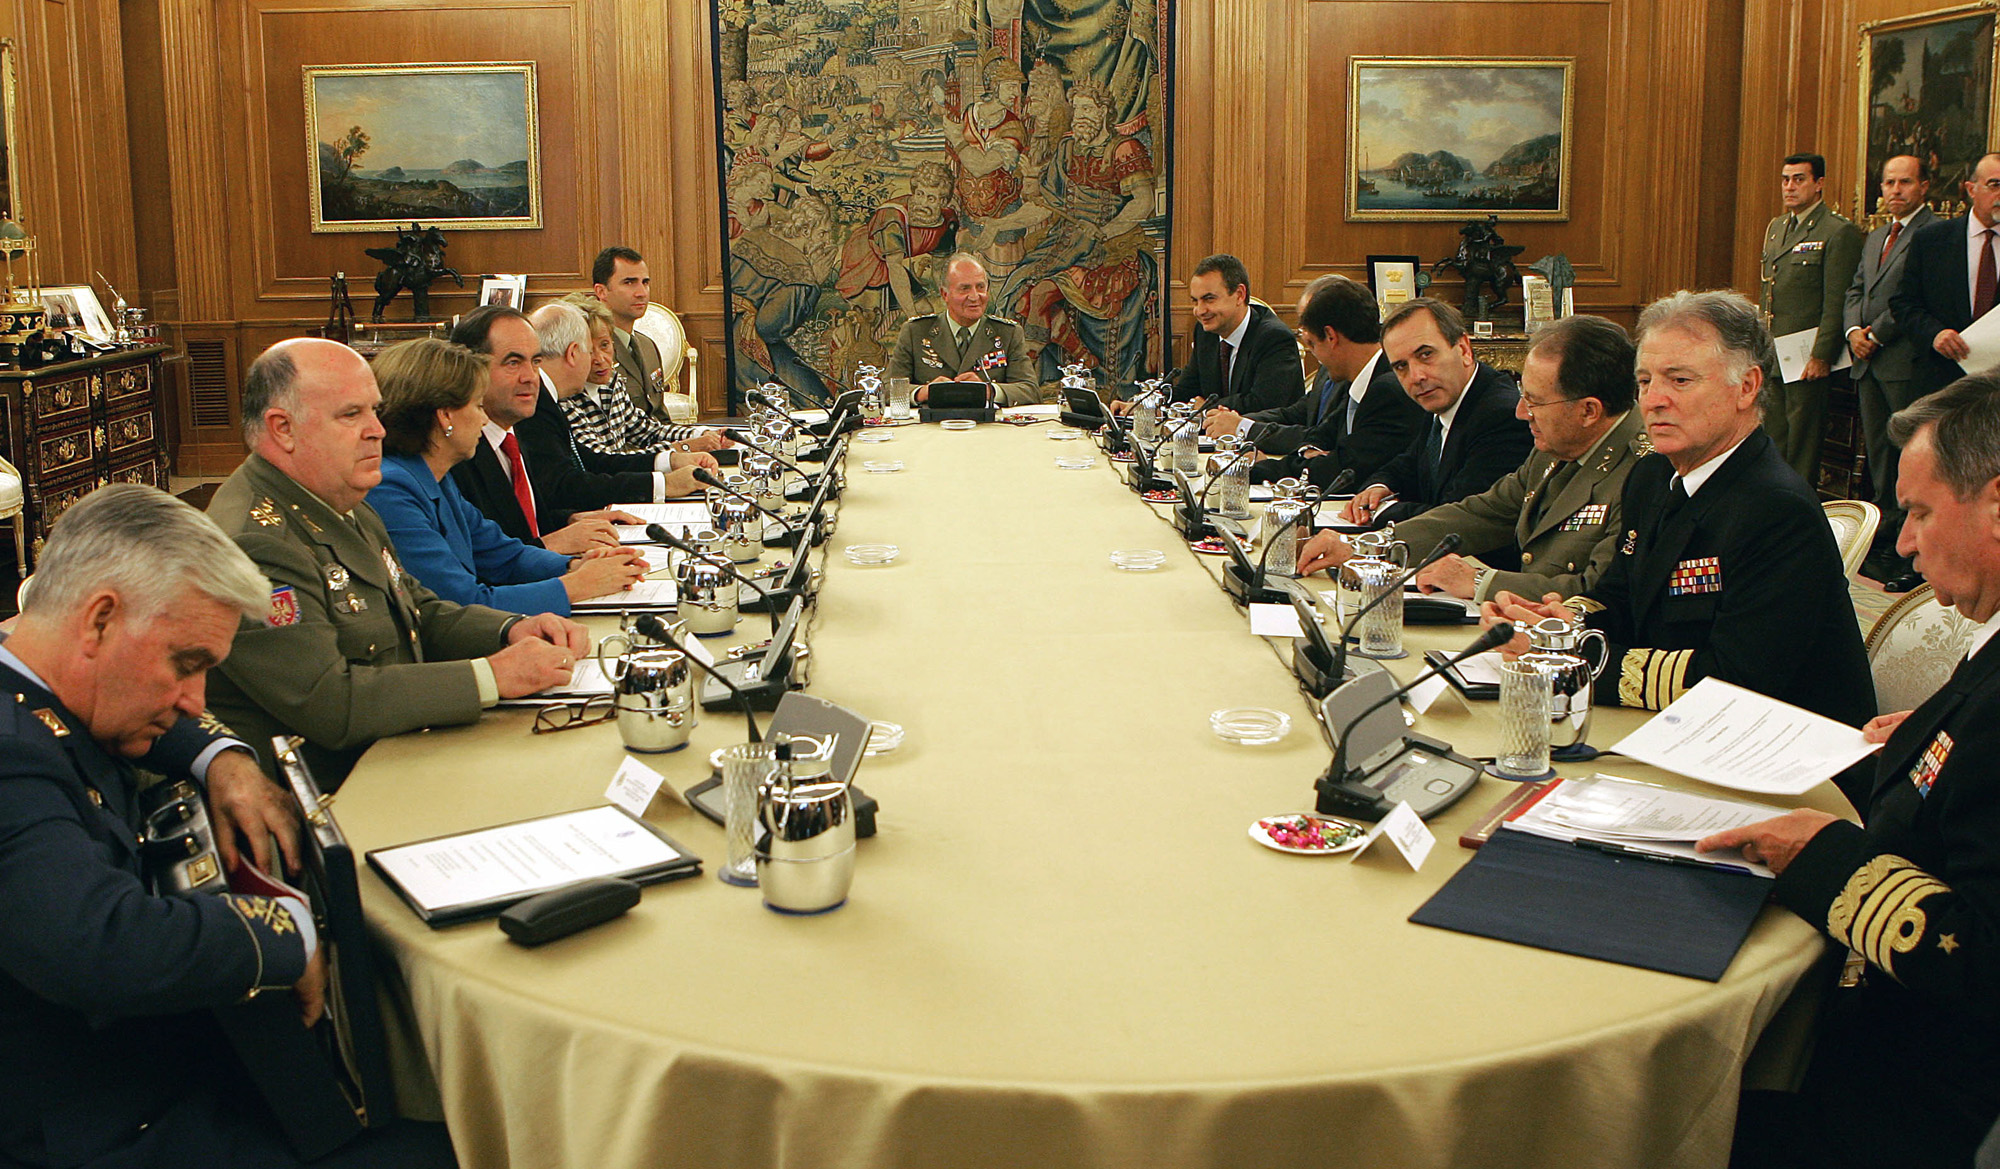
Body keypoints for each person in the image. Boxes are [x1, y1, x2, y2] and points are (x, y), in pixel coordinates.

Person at [0, 483, 459, 1168]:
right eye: (187, 665)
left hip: (159, 1069)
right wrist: (287, 931)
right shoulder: (11, 754)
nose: (195, 702)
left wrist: (222, 757)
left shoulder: (46, 683)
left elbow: (108, 717)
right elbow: (97, 943)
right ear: (98, 620)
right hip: (108, 1124)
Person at [1700, 372, 2000, 1169]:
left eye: (1923, 512)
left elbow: (1981, 958)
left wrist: (1823, 853)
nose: (1903, 543)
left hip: (1918, 1109)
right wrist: (1940, 729)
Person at [206, 337, 588, 788]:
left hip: (398, 752)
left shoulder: (342, 500)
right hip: (339, 791)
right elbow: (330, 703)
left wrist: (510, 629)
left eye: (374, 410)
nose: (377, 430)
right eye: (352, 415)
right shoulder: (258, 541)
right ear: (282, 428)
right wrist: (490, 676)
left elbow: (417, 609)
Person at [1483, 290, 1874, 724]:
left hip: (1779, 754)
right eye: (1646, 381)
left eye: (1680, 380)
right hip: (1676, 728)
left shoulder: (1776, 510)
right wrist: (1556, 625)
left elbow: (1736, 679)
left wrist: (1571, 662)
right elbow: (1621, 596)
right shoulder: (1651, 478)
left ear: (1746, 387)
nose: (1653, 400)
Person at [1299, 314, 1648, 603]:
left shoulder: (1644, 474)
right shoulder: (1553, 449)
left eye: (1535, 401)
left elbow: (1597, 591)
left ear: (1588, 411)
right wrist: (1366, 546)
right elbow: (1482, 512)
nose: (1521, 412)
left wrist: (1482, 582)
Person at [364, 337, 647, 616]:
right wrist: (576, 585)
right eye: (477, 406)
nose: (484, 419)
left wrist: (575, 566)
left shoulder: (436, 476)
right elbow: (461, 604)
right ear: (445, 416)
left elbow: (505, 556)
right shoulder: (391, 488)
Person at [444, 305, 698, 546]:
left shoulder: (514, 423)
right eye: (513, 363)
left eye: (535, 361)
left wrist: (568, 521)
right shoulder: (461, 451)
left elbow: (533, 512)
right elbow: (491, 556)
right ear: (471, 370)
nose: (531, 377)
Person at [1201, 274, 1426, 489]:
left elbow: (1340, 467)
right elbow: (1321, 436)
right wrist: (1306, 453)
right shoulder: (1357, 378)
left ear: (1330, 337)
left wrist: (1260, 467)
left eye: (1312, 344)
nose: (1314, 355)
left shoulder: (1387, 388)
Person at [1340, 298, 1531, 527]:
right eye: (1401, 366)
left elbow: (1456, 517)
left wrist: (1383, 510)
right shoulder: (1442, 400)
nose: (1416, 377)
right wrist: (1378, 488)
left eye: (1426, 355)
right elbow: (1408, 464)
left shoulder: (1500, 416)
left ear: (1463, 350)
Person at [1845, 154, 1936, 592]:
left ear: (1924, 187)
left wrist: (1875, 335)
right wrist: (1852, 333)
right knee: (1880, 456)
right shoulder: (1876, 235)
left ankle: (1907, 546)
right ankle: (1882, 539)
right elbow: (1857, 287)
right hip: (1865, 361)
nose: (1894, 191)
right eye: (1888, 183)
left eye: (1904, 183)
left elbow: (1912, 295)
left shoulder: (1933, 233)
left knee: (1908, 456)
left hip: (1903, 361)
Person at [1759, 152, 1863, 481]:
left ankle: (1798, 506)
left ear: (1819, 184)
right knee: (1773, 437)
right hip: (1775, 352)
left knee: (1803, 443)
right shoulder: (1777, 228)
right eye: (1785, 180)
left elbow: (1836, 300)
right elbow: (1769, 291)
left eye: (1799, 179)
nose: (1790, 187)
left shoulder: (1837, 231)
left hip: (1807, 356)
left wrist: (1822, 355)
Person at [555, 292, 729, 459]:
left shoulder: (612, 381)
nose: (600, 359)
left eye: (605, 345)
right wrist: (685, 447)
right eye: (590, 351)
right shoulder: (563, 398)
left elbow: (645, 431)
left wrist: (702, 433)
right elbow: (607, 461)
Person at [1149, 253, 1302, 414]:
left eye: (1209, 299)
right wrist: (1149, 403)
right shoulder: (1205, 332)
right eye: (1195, 301)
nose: (1199, 311)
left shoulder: (1274, 338)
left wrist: (1207, 407)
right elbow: (1188, 389)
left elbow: (1264, 403)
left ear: (1239, 295)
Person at [887, 252, 1039, 407]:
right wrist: (923, 392)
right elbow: (887, 389)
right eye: (965, 289)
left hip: (988, 428)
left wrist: (988, 390)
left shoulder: (1007, 333)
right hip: (932, 427)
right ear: (945, 294)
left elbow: (1030, 390)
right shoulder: (916, 332)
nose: (974, 297)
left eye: (980, 287)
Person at [592, 246, 669, 417]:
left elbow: (661, 417)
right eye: (629, 283)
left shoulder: (648, 346)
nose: (642, 293)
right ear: (601, 291)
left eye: (645, 283)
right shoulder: (593, 351)